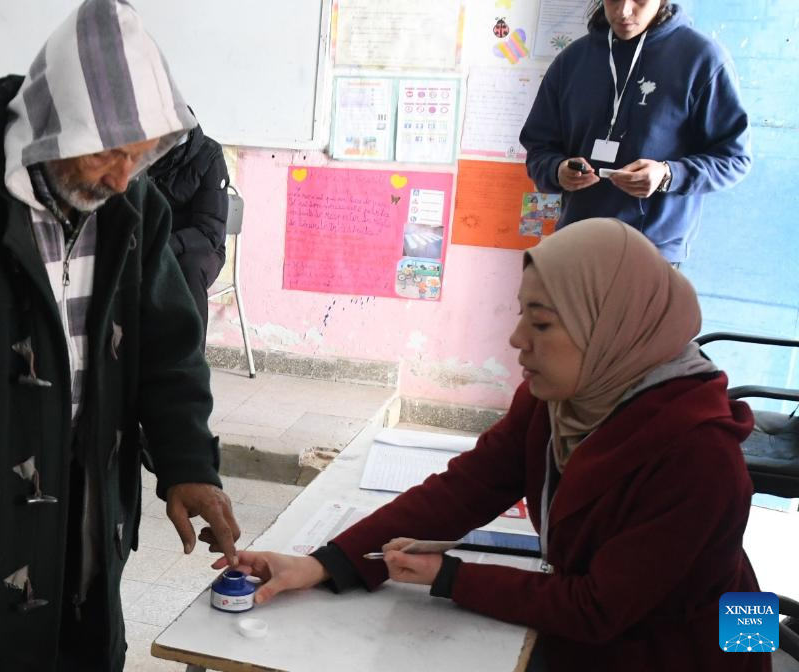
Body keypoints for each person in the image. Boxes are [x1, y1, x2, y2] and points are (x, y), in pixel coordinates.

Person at [0, 2, 240, 670]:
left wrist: (187, 464)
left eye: (139, 157)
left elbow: (170, 352)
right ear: (52, 130)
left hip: (87, 520)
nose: (120, 178)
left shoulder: (132, 207)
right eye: (108, 152)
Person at [218, 219, 770, 671]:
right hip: (610, 632)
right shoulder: (557, 402)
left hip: (692, 649)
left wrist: (451, 576)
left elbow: (600, 609)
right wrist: (325, 564)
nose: (516, 339)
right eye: (520, 312)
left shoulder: (701, 456)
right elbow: (463, 491)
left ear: (609, 328)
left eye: (542, 322)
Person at [519, 1, 752, 263]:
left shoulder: (702, 60)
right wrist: (556, 170)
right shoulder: (572, 61)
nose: (623, 11)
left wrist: (667, 174)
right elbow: (538, 148)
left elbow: (734, 159)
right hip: (575, 244)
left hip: (652, 255)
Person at [147, 117, 229, 337]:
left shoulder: (210, 155)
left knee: (189, 269)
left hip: (199, 247)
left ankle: (191, 363)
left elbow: (210, 232)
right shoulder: (144, 149)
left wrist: (163, 247)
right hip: (153, 240)